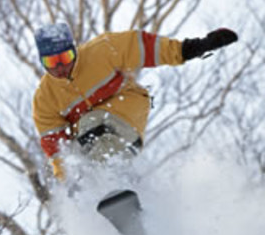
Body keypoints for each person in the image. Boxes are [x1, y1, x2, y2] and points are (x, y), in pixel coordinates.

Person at [32, 23, 238, 181]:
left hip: (126, 109)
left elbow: (147, 48)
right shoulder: (45, 97)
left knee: (92, 124)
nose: (60, 67)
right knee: (78, 161)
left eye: (65, 57)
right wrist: (67, 180)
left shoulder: (102, 50)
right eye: (51, 62)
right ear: (42, 61)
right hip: (91, 139)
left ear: (74, 50)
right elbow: (55, 145)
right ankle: (122, 202)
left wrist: (195, 47)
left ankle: (116, 182)